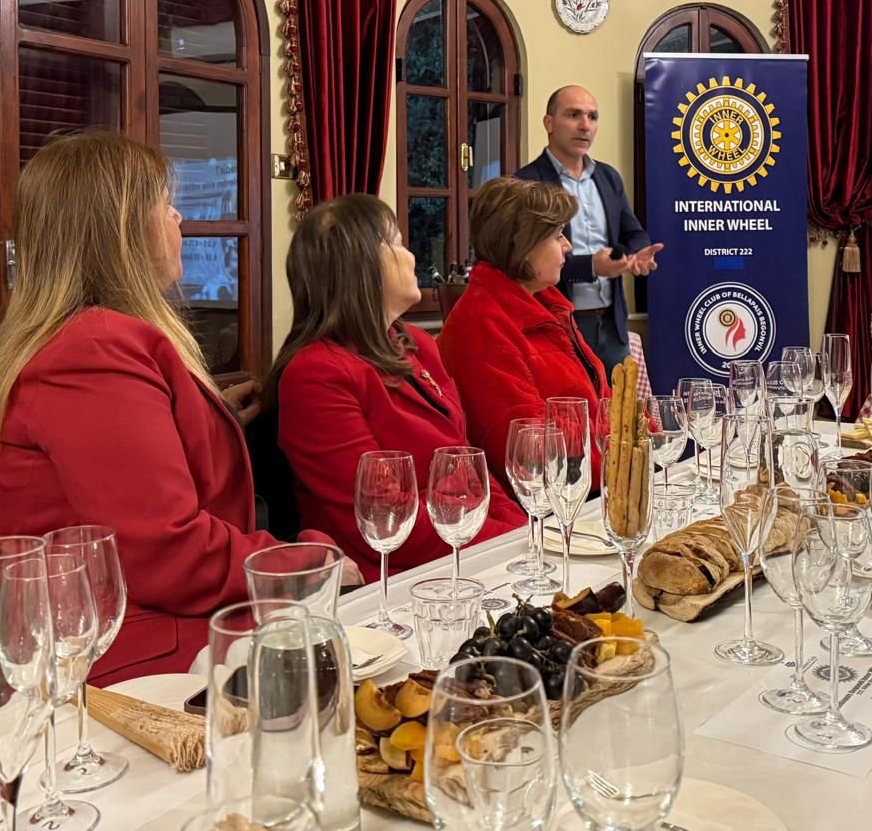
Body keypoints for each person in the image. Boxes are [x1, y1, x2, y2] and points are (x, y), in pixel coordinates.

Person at [0, 131, 351, 684]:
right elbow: (167, 554)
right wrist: (306, 560)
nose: (178, 218)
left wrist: (204, 418)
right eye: (165, 204)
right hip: (116, 649)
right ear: (120, 233)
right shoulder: (92, 348)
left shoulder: (77, 338)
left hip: (119, 620)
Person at [268, 195, 523, 580]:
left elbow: (471, 467)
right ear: (360, 264)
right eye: (398, 243)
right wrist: (510, 542)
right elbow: (385, 515)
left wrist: (525, 531)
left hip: (467, 550)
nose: (412, 256)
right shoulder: (315, 374)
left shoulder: (416, 344)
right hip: (395, 578)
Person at [438, 177, 608, 488]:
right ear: (523, 245)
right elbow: (529, 451)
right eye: (557, 235)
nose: (568, 246)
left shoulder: (547, 305)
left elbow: (602, 403)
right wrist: (624, 454)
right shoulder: (483, 325)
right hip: (553, 499)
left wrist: (636, 439)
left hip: (592, 482)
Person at [515, 85, 663, 375]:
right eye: (574, 115)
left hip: (611, 323)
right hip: (557, 322)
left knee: (621, 403)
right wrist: (592, 266)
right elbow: (527, 261)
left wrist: (637, 254)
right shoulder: (527, 183)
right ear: (549, 123)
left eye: (592, 117)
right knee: (569, 402)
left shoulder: (608, 177)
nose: (585, 126)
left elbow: (633, 233)